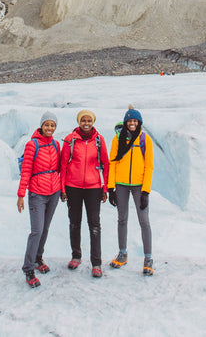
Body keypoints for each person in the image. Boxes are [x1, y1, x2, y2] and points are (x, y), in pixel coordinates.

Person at [60, 109, 110, 278]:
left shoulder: (99, 140)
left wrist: (105, 188)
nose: (86, 123)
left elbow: (106, 164)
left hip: (93, 188)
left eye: (89, 120)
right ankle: (76, 256)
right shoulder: (70, 139)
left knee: (94, 225)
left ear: (93, 122)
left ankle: (96, 263)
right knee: (74, 222)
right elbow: (63, 165)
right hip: (73, 187)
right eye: (83, 120)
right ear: (79, 121)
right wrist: (62, 188)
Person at [107, 104, 155, 275]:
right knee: (122, 219)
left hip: (138, 186)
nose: (132, 123)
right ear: (126, 122)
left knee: (144, 221)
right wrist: (110, 188)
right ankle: (122, 254)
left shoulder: (144, 140)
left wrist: (146, 191)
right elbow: (112, 163)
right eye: (130, 120)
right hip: (120, 185)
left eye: (135, 121)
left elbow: (149, 166)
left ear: (139, 122)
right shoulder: (117, 139)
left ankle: (148, 259)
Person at [17, 111, 63, 287]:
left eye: (52, 125)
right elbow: (26, 170)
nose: (49, 128)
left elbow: (60, 168)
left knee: (45, 229)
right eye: (47, 125)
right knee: (36, 230)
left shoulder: (56, 145)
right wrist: (21, 194)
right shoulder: (32, 145)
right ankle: (28, 268)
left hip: (54, 192)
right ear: (42, 126)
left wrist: (62, 189)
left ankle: (38, 258)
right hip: (37, 193)